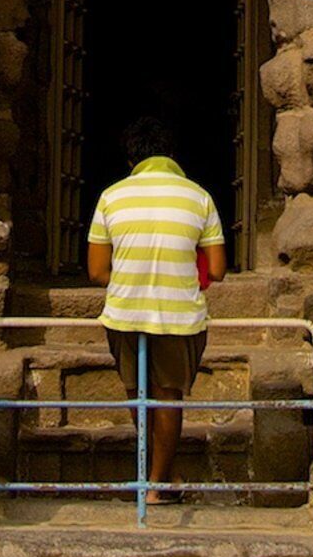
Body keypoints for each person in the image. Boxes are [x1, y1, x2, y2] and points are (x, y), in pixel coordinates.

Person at [85, 117, 222, 502]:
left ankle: (158, 475)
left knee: (137, 392)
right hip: (179, 313)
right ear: (172, 156)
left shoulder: (112, 196)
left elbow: (97, 271)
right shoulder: (199, 197)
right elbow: (217, 269)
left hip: (126, 310)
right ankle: (160, 482)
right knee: (168, 395)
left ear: (131, 160)